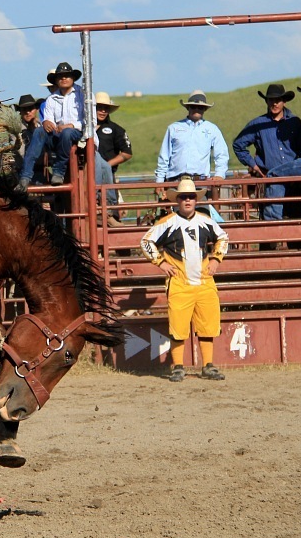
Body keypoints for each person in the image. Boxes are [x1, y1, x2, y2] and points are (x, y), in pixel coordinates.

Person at [140, 178, 229, 382]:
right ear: (177, 200)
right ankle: (178, 366)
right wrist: (160, 262)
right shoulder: (168, 222)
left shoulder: (206, 220)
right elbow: (146, 242)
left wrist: (215, 259)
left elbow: (223, 238)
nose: (187, 200)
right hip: (180, 282)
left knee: (208, 325)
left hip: (205, 281)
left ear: (196, 200)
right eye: (183, 197)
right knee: (178, 327)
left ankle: (208, 365)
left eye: (191, 197)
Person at [233, 84, 301, 221]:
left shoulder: (295, 122)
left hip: (294, 182)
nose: (274, 103)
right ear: (266, 101)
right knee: (270, 222)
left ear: (284, 101)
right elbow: (238, 145)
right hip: (270, 181)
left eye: (278, 100)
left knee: (297, 221)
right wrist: (254, 165)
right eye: (271, 100)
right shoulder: (258, 124)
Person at [20, 62, 86, 187]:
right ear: (56, 80)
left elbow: (89, 121)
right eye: (60, 76)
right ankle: (26, 175)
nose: (64, 78)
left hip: (77, 133)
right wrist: (46, 122)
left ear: (73, 78)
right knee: (39, 131)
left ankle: (58, 171)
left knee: (67, 133)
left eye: (67, 76)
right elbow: (48, 118)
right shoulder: (51, 99)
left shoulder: (83, 95)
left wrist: (71, 125)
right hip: (58, 134)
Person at [155, 91, 229, 200]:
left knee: (202, 213)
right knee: (175, 214)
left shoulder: (212, 129)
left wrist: (219, 174)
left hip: (200, 182)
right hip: (175, 181)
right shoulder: (174, 128)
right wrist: (160, 181)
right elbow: (164, 155)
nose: (197, 109)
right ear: (188, 107)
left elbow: (221, 154)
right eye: (194, 106)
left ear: (205, 109)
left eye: (201, 107)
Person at [94, 92, 132, 222]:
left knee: (111, 212)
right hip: (85, 177)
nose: (103, 111)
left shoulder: (116, 130)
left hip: (108, 178)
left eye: (106, 108)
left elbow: (127, 153)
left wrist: (107, 165)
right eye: (99, 107)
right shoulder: (82, 128)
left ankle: (110, 215)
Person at [10, 94, 47, 182]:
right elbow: (20, 152)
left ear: (36, 109)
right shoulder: (16, 130)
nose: (28, 112)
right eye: (24, 109)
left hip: (41, 170)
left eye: (30, 109)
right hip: (22, 171)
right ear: (20, 112)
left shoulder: (44, 126)